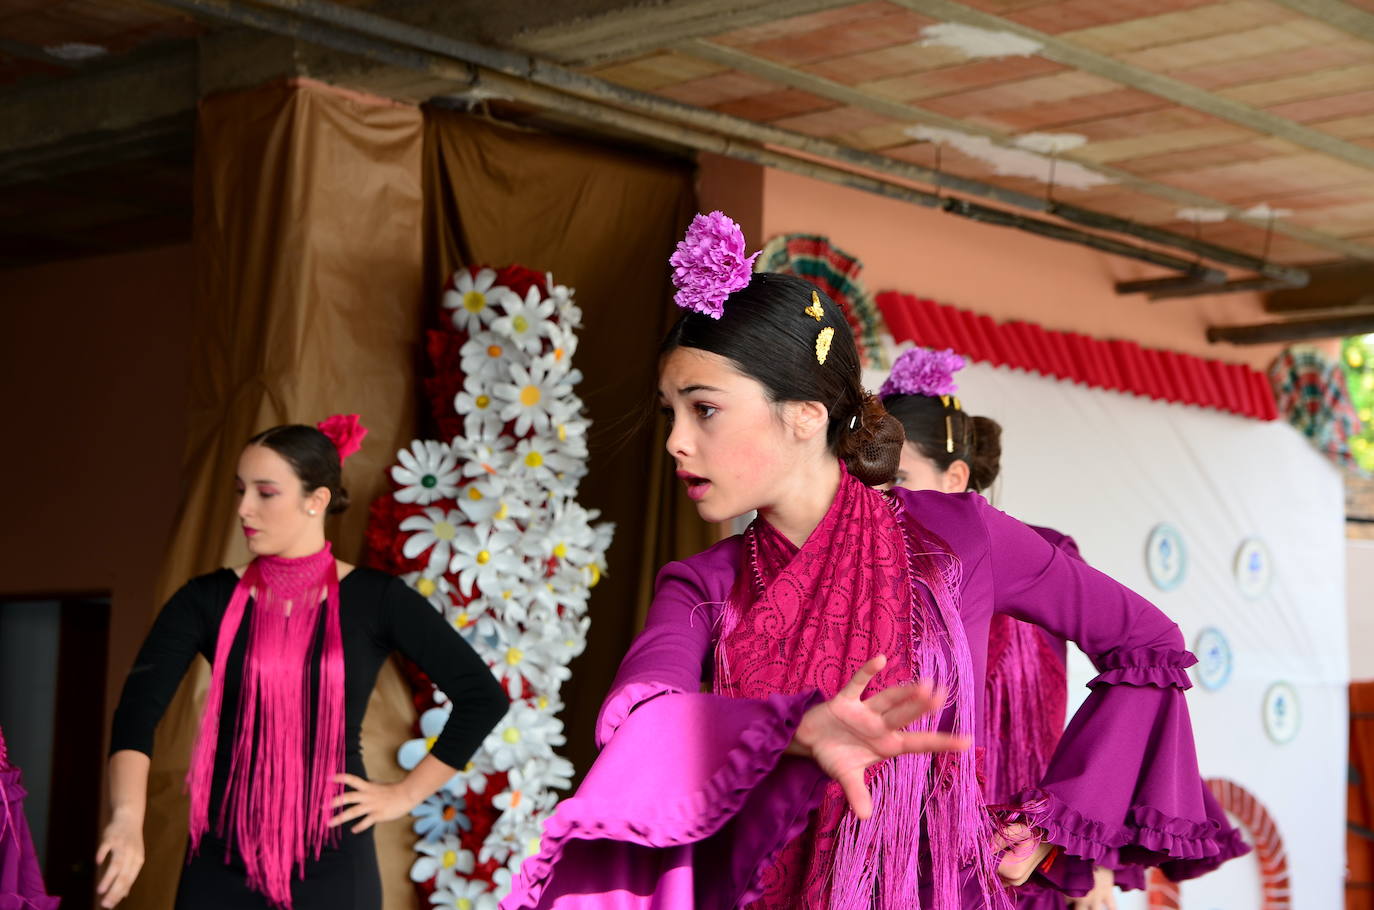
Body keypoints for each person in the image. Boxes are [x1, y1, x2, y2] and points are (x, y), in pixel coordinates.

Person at [503, 212, 1247, 910]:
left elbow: (1147, 645)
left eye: (704, 408)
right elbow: (641, 717)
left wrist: (1050, 826)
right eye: (671, 413)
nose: (676, 441)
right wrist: (793, 733)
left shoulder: (961, 539)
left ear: (804, 415)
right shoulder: (703, 585)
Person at [97, 417, 508, 910]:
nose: (244, 508)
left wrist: (403, 794)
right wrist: (126, 818)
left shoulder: (377, 600)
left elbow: (483, 698)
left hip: (334, 859)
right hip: (220, 858)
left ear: (316, 501)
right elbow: (137, 712)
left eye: (265, 492)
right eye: (240, 490)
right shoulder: (203, 601)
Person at [881, 348, 1120, 909]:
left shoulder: (1043, 556)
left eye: (898, 480)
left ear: (956, 476)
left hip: (1026, 855)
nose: (878, 502)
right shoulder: (868, 577)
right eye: (865, 482)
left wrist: (1092, 853)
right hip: (911, 858)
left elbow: (1127, 680)